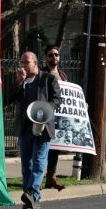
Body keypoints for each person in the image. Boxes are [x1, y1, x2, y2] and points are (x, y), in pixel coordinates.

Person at [10, 51, 61, 209]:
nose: (23, 66)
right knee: (27, 164)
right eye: (21, 62)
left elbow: (57, 99)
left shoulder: (48, 79)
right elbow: (9, 98)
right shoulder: (22, 80)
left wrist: (44, 110)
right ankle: (30, 197)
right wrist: (18, 83)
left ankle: (33, 193)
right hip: (25, 127)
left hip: (42, 127)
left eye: (26, 62)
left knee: (39, 161)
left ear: (35, 63)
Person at [42, 45, 67, 191]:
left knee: (55, 148)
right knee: (44, 146)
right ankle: (38, 177)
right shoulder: (43, 73)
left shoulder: (63, 75)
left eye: (56, 55)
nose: (54, 57)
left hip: (60, 116)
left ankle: (51, 177)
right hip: (47, 114)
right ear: (46, 58)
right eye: (51, 55)